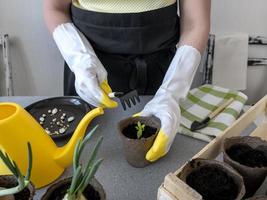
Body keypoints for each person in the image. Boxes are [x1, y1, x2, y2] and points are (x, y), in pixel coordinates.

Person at [43, 0, 210, 162]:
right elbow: (55, 8)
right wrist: (79, 58)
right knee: (85, 157)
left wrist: (172, 93)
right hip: (89, 74)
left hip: (164, 75)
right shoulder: (83, 64)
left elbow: (195, 23)